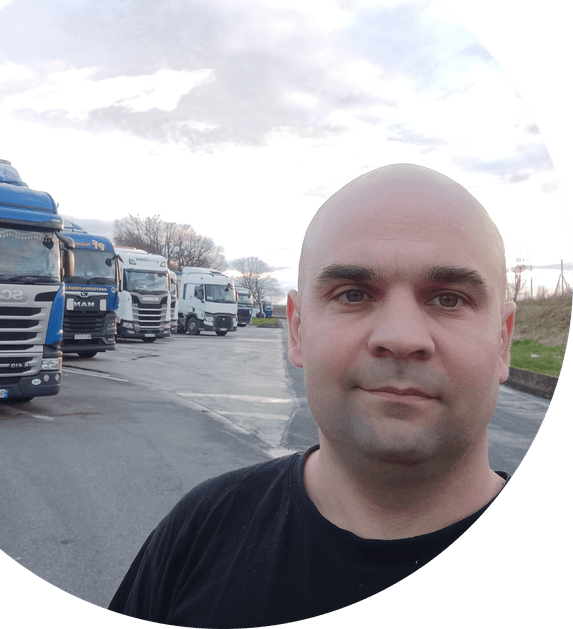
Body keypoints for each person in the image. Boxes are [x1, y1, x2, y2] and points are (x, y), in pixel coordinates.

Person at [108, 164, 516, 628]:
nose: (401, 337)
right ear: (298, 329)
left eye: (448, 299)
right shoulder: (199, 533)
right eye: (353, 295)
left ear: (503, 340)